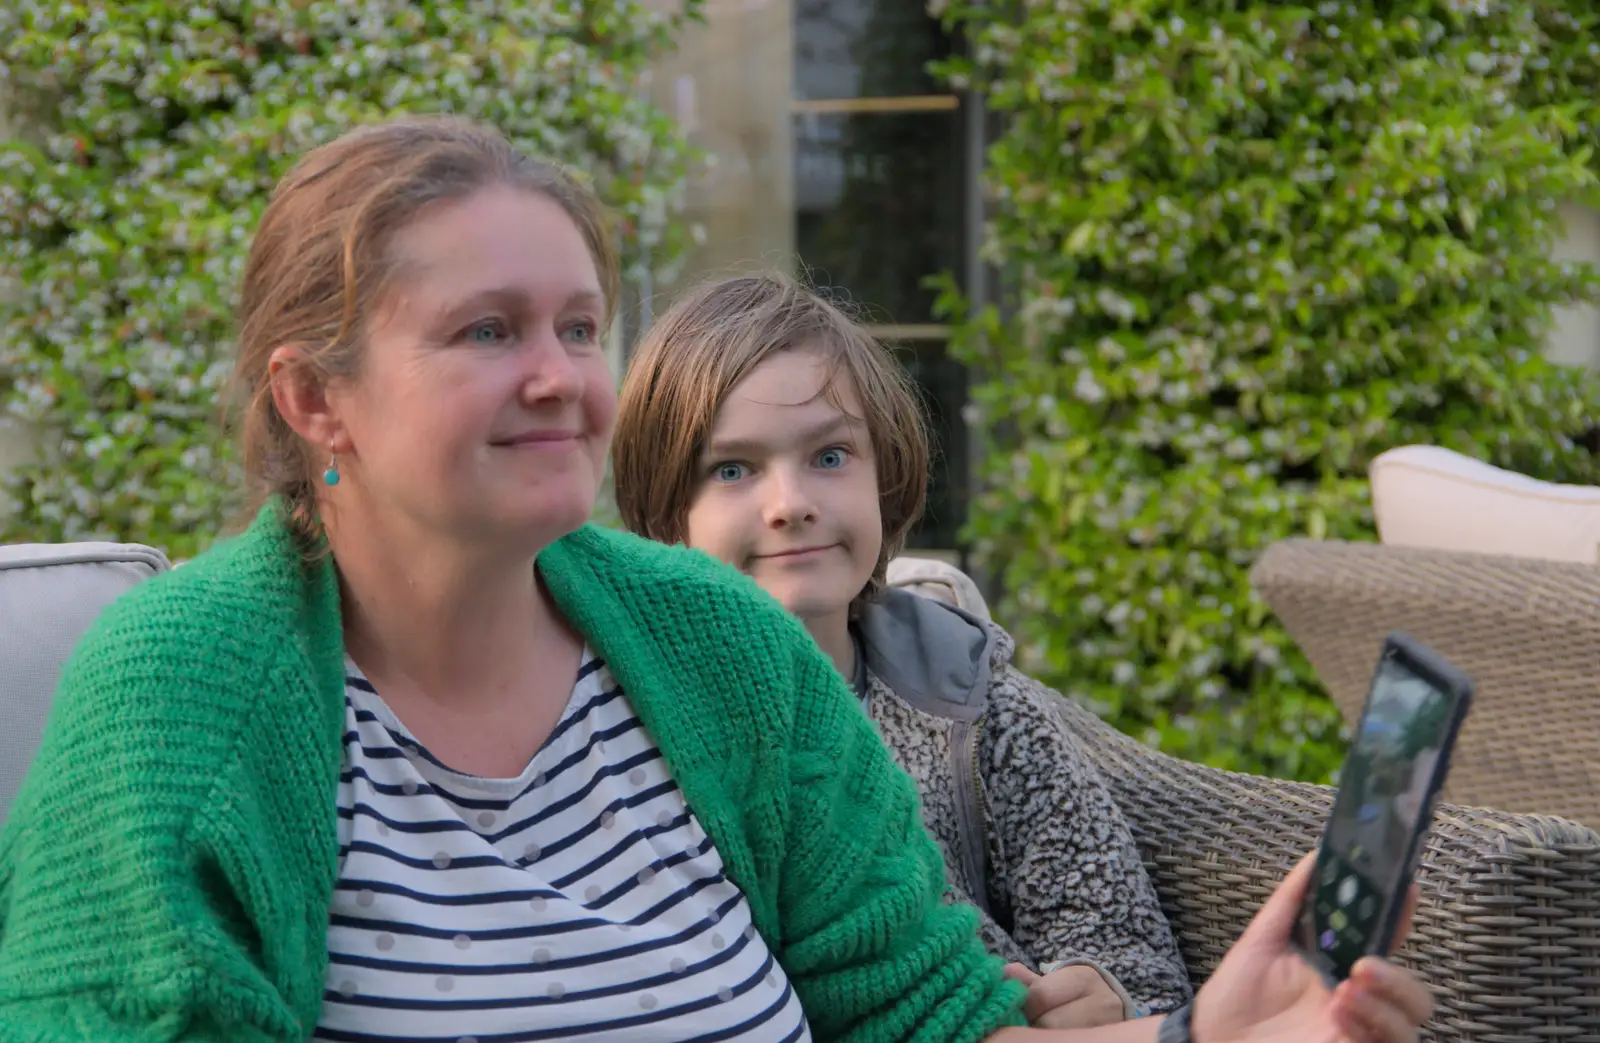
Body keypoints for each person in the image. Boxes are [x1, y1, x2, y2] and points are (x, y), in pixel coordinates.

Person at [0, 115, 1431, 1043]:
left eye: (576, 322)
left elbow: (925, 1018)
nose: (561, 376)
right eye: (487, 331)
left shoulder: (716, 646)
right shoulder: (179, 696)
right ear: (318, 398)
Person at [612, 274, 1193, 1029]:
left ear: (885, 476)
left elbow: (1126, 934)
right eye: (733, 469)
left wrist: (1103, 983)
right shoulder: (640, 732)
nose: (791, 502)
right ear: (666, 516)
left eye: (830, 456)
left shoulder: (966, 695)